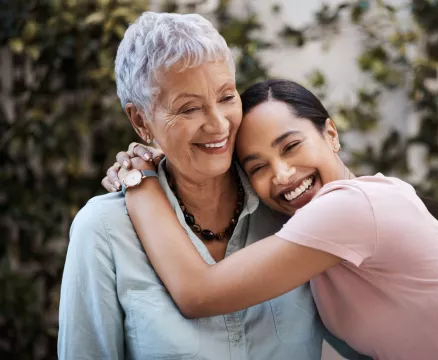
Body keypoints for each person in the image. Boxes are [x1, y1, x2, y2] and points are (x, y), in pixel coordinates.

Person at [59, 12, 366, 360]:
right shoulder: (103, 231)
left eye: (225, 97)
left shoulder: (288, 204)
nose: (218, 125)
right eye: (189, 108)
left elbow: (374, 339)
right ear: (141, 121)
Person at [108, 79, 438, 360]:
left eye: (291, 146)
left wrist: (139, 180)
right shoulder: (309, 242)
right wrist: (167, 158)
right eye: (258, 167)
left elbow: (198, 294)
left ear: (330, 134)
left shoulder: (351, 207)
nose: (283, 174)